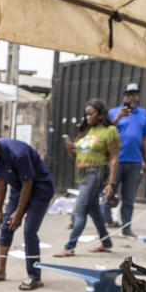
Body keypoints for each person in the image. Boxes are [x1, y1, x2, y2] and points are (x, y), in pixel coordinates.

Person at [0, 131, 55, 291]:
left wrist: (19, 212)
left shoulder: (18, 153)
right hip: (19, 189)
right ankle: (1, 271)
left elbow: (28, 183)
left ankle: (34, 277)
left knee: (29, 230)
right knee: (6, 226)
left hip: (40, 189)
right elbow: (0, 180)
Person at [55, 98, 119, 256]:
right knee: (94, 210)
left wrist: (111, 183)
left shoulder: (109, 130)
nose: (88, 117)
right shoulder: (86, 131)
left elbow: (113, 158)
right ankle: (106, 242)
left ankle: (69, 247)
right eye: (86, 114)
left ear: (100, 114)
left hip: (96, 173)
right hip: (82, 175)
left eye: (92, 113)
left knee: (80, 209)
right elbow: (77, 156)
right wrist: (70, 148)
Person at [106, 82, 146, 236]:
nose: (131, 97)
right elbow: (106, 132)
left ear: (137, 96)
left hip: (135, 161)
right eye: (128, 94)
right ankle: (106, 224)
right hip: (116, 160)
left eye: (134, 94)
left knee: (129, 197)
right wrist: (118, 117)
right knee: (109, 193)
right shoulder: (113, 112)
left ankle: (126, 228)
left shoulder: (144, 114)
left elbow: (145, 139)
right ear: (124, 96)